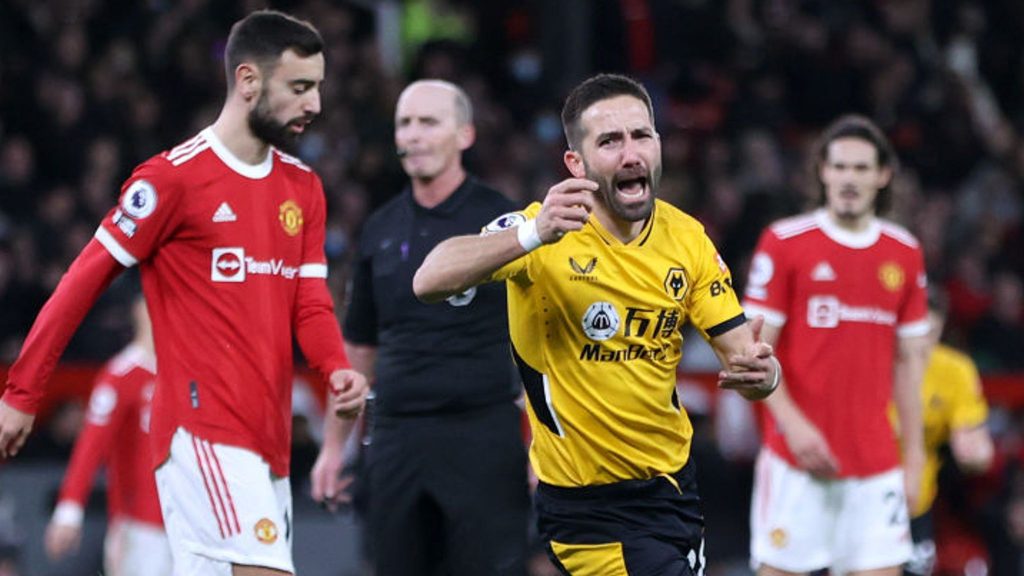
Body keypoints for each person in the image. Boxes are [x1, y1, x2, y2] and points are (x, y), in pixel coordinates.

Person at [0, 10, 368, 576]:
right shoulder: (173, 179)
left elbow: (310, 302)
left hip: (269, 439)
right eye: (299, 87)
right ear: (248, 81)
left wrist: (335, 367)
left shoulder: (304, 188)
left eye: (317, 87)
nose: (315, 103)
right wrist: (22, 392)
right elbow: (81, 281)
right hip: (203, 432)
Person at [413, 72, 781, 575]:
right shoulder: (544, 231)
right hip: (589, 509)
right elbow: (429, 279)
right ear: (576, 163)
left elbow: (745, 358)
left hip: (674, 491)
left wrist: (765, 375)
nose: (631, 154)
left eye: (641, 136)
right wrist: (532, 234)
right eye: (609, 141)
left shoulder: (688, 238)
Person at [310, 79, 530, 575]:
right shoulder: (379, 228)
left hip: (482, 435)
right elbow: (359, 348)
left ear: (465, 134)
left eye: (429, 122)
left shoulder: (502, 220)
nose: (413, 134)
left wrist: (543, 444)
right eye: (404, 123)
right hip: (396, 437)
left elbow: (541, 338)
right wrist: (333, 447)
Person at [742, 114, 931, 576]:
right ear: (822, 172)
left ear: (882, 176)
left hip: (875, 463)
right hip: (795, 462)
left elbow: (909, 365)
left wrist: (914, 456)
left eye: (862, 168)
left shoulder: (905, 252)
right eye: (840, 166)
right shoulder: (784, 242)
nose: (849, 178)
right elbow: (753, 354)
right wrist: (793, 426)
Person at [44, 294, 172, 576]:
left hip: (192, 524)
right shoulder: (122, 375)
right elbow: (91, 445)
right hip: (140, 527)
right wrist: (69, 510)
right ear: (140, 311)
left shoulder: (185, 373)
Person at [901, 288, 994, 576]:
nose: (924, 343)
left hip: (916, 505)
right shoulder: (871, 364)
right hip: (858, 499)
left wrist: (977, 453)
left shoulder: (955, 370)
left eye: (932, 332)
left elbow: (974, 438)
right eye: (917, 332)